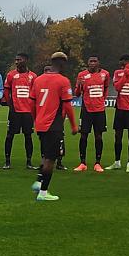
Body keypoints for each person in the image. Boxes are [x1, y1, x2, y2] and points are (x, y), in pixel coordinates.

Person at [30, 52, 79, 201]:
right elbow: (68, 106)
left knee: (46, 155)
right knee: (51, 159)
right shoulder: (63, 81)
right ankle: (43, 193)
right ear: (63, 63)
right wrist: (73, 126)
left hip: (41, 124)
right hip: (54, 124)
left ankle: (38, 182)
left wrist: (36, 119)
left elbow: (31, 103)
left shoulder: (38, 79)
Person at [73, 56, 110, 172]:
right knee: (83, 135)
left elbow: (106, 87)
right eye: (91, 61)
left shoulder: (105, 74)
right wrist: (79, 85)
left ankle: (97, 163)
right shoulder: (82, 75)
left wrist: (103, 100)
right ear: (87, 63)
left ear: (98, 63)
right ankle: (82, 162)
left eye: (95, 61)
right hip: (86, 110)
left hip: (99, 110)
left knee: (98, 136)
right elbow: (77, 94)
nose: (93, 63)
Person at [2, 53, 37, 170]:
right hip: (15, 111)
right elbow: (6, 91)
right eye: (16, 60)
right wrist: (10, 105)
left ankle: (29, 162)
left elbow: (35, 93)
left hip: (28, 112)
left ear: (26, 60)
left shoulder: (33, 76)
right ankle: (7, 162)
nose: (17, 62)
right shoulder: (11, 74)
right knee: (10, 135)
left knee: (28, 136)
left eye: (19, 60)